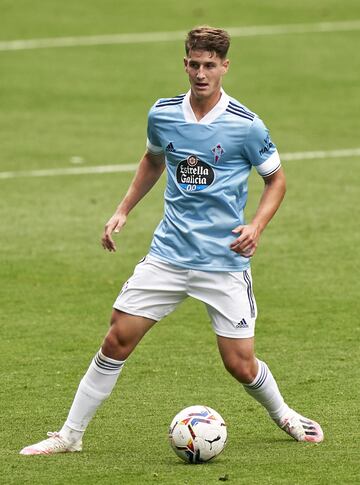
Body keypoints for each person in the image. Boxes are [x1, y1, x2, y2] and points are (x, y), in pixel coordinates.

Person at [20, 26, 323, 455]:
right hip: (169, 255)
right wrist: (123, 209)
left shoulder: (246, 125)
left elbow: (276, 180)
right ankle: (70, 436)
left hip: (223, 262)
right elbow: (152, 159)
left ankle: (284, 414)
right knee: (116, 339)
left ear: (224, 66)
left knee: (239, 364)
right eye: (194, 64)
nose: (201, 73)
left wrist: (256, 226)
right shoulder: (162, 114)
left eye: (210, 65)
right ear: (185, 64)